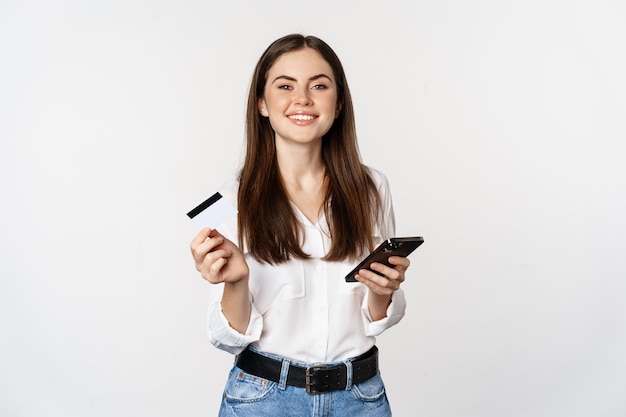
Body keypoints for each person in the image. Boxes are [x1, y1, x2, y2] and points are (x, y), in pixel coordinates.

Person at [190, 33, 412, 417]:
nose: (303, 99)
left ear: (338, 102)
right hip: (262, 402)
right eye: (285, 85)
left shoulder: (374, 187)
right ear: (262, 103)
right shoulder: (224, 201)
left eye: (319, 85)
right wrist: (235, 280)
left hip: (360, 399)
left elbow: (375, 320)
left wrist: (383, 291)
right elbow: (225, 337)